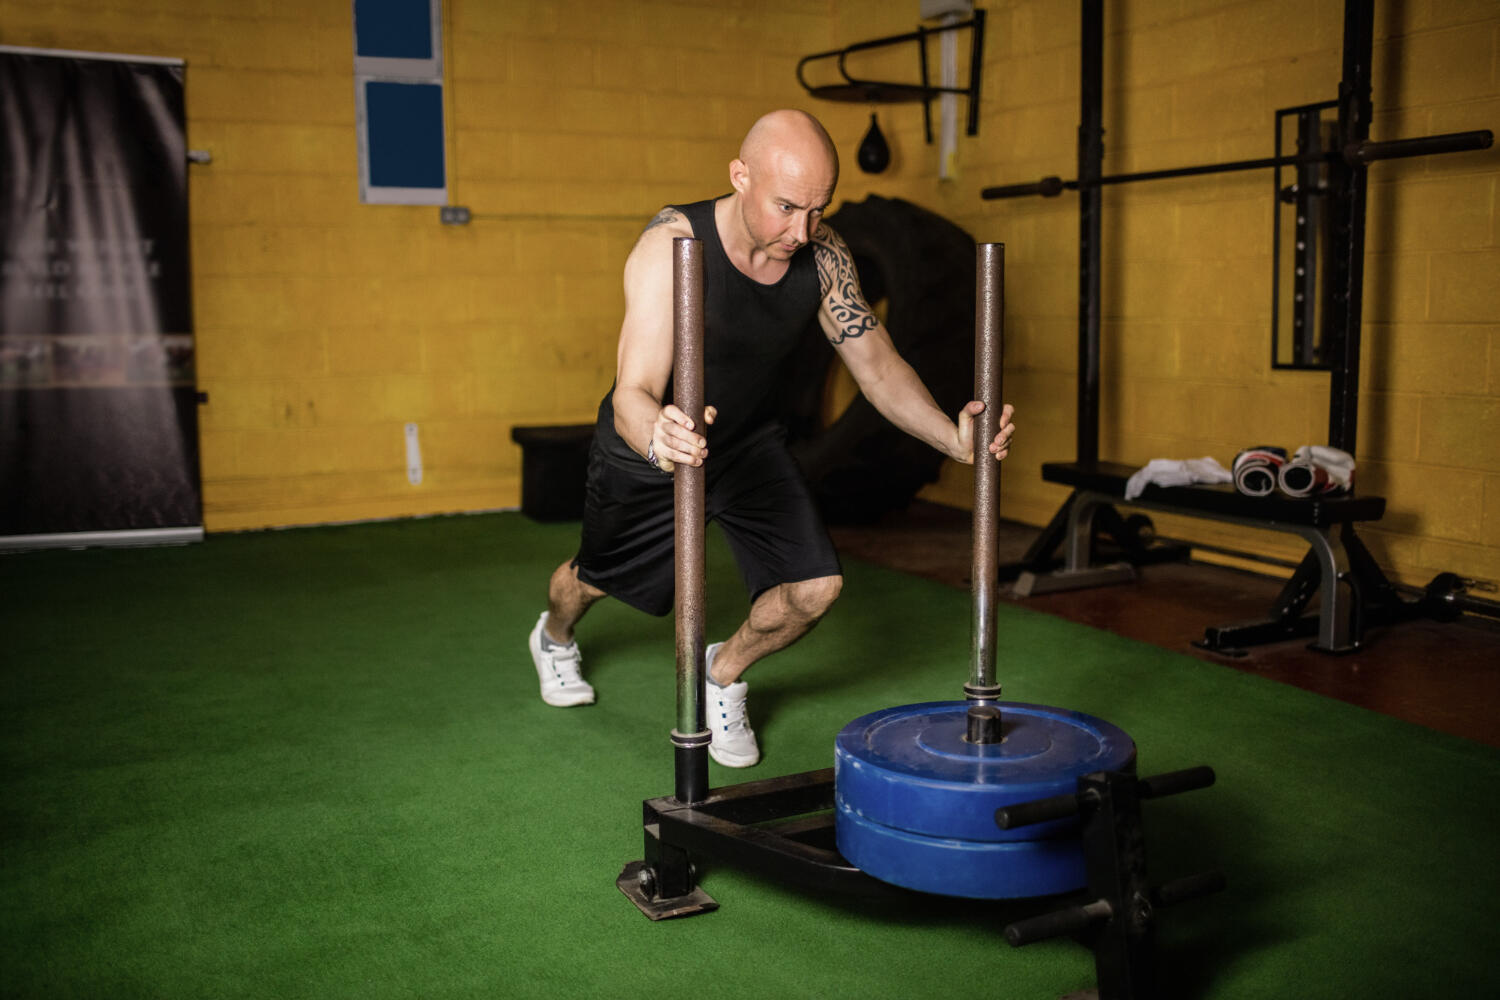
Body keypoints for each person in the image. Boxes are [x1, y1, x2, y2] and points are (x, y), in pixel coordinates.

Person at [528, 109, 1015, 767]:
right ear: (740, 176)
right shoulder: (672, 248)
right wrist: (658, 435)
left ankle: (721, 676)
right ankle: (555, 637)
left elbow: (877, 366)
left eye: (819, 210)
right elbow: (632, 392)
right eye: (787, 207)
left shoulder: (824, 253)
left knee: (814, 589)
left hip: (747, 443)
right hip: (657, 444)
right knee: (591, 581)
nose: (802, 230)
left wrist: (952, 440)